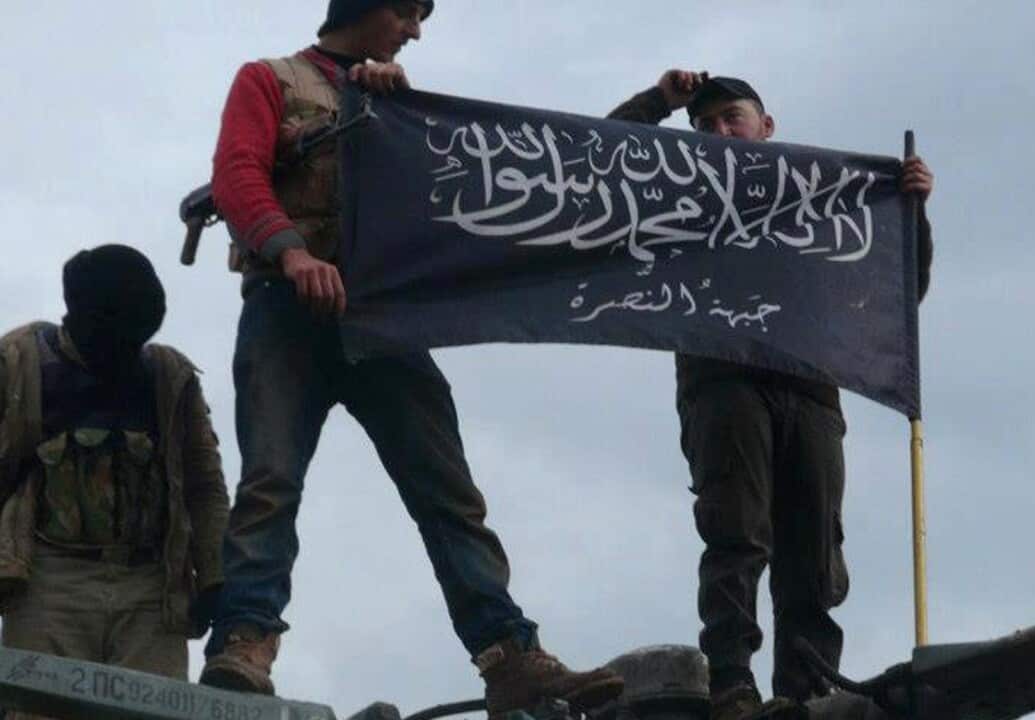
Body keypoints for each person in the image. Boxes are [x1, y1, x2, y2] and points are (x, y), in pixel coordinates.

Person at [200, 0, 623, 712]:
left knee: (446, 492)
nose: (416, 30)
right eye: (408, 10)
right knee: (270, 482)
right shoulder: (268, 79)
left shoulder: (400, 100)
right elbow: (236, 176)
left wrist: (389, 112)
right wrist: (291, 251)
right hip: (287, 310)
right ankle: (244, 644)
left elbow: (476, 193)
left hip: (383, 320)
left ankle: (508, 656)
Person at [608, 72, 936, 719]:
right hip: (722, 385)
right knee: (737, 537)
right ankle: (733, 688)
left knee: (813, 556)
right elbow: (601, 156)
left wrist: (912, 210)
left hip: (810, 392)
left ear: (767, 125)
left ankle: (809, 692)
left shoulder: (818, 205)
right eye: (704, 127)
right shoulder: (678, 200)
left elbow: (898, 294)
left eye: (732, 117)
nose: (720, 133)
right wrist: (660, 103)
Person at [0, 245, 229, 719]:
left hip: (150, 589)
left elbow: (205, 486)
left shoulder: (169, 377)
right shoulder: (19, 364)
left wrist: (216, 576)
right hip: (49, 580)